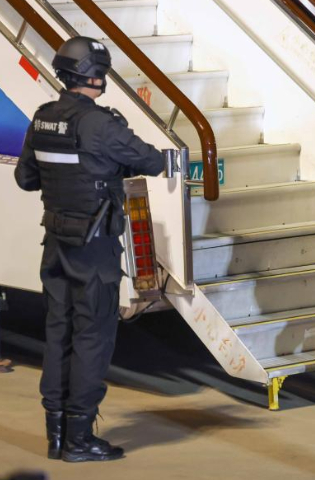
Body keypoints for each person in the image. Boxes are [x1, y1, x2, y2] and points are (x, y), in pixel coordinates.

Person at [15, 36, 165, 462]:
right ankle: (80, 439)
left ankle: (56, 435)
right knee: (92, 337)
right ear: (97, 76)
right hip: (94, 248)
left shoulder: (43, 118)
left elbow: (26, 179)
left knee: (58, 333)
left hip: (55, 245)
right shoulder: (100, 124)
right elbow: (152, 161)